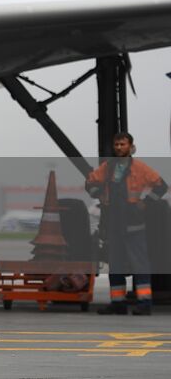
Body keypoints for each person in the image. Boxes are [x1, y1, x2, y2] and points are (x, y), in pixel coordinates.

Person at [86, 131, 167, 315]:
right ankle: (118, 303)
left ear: (131, 147)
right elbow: (90, 182)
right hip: (114, 221)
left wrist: (146, 203)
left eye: (123, 144)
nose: (119, 148)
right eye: (117, 145)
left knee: (140, 264)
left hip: (133, 222)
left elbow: (161, 186)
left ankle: (145, 304)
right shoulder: (108, 167)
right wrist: (96, 192)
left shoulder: (140, 168)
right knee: (116, 264)